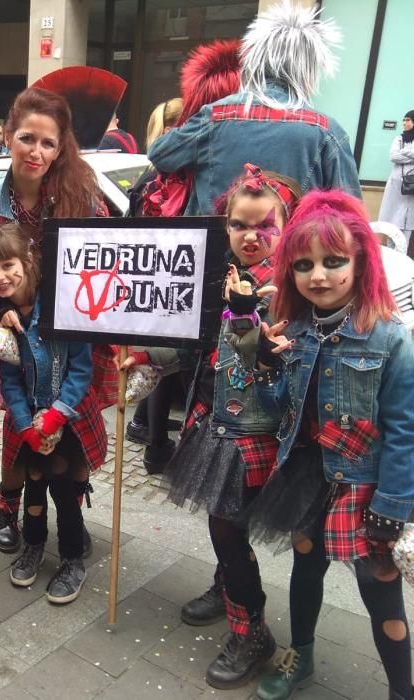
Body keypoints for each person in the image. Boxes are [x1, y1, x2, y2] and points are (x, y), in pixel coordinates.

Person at [127, 165, 301, 689]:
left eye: (264, 225)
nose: (251, 236)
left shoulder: (295, 288)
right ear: (225, 226)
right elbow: (191, 342)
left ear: (284, 225)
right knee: (225, 524)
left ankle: (252, 630)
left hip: (259, 434)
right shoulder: (217, 278)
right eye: (239, 225)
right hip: (211, 421)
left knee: (226, 526)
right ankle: (229, 587)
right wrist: (143, 353)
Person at [247, 190, 414, 700]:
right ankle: (299, 656)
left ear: (360, 261)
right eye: (304, 264)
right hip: (308, 477)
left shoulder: (390, 339)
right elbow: (282, 406)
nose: (318, 275)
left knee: (381, 592)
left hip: (369, 486)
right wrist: (264, 364)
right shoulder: (295, 330)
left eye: (333, 261)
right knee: (306, 567)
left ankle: (401, 691)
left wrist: (391, 507)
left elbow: (408, 432)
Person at [0, 86, 109, 555]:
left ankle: (71, 513)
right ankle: (8, 508)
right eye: (27, 138)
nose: (36, 151)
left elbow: (107, 264)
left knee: (70, 435)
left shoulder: (81, 198)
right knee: (21, 435)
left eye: (48, 143)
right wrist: (1, 314)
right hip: (15, 340)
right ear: (10, 137)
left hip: (71, 337)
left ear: (60, 149)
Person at [126, 39, 242, 469]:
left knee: (172, 358)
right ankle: (174, 445)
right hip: (192, 265)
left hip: (172, 268)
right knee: (192, 360)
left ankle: (158, 444)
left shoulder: (181, 155)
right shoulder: (209, 148)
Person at [0, 222, 106, 604]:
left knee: (65, 488)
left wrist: (56, 415)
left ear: (28, 259)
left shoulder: (65, 307)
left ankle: (71, 559)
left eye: (8, 265)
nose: (0, 277)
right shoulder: (5, 321)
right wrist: (24, 421)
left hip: (70, 414)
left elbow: (81, 368)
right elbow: (9, 376)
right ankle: (33, 544)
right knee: (33, 479)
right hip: (28, 418)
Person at [148, 0, 361, 216]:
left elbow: (160, 154)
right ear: (308, 70)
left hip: (212, 245)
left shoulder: (216, 116)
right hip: (287, 247)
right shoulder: (326, 132)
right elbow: (350, 216)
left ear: (253, 61)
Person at [378, 111, 414, 253]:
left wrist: (405, 153)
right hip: (397, 184)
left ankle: (402, 251)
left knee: (410, 220)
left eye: (408, 120)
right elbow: (394, 156)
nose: (404, 123)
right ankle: (391, 250)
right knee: (393, 217)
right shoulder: (400, 138)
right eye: (403, 120)